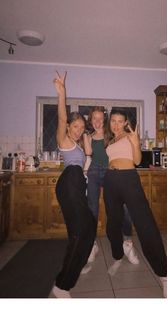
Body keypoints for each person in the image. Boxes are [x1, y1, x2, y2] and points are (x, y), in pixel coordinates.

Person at [103, 108, 167, 298]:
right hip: (110, 180)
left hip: (128, 179)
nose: (116, 124)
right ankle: (118, 256)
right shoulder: (111, 140)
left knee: (146, 225)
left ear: (126, 123)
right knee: (113, 223)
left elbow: (136, 160)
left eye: (120, 121)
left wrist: (135, 143)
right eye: (113, 121)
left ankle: (164, 276)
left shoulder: (129, 136)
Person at [51, 71, 96, 298]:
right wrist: (62, 93)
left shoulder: (78, 145)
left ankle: (77, 262)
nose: (77, 130)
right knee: (81, 230)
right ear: (68, 127)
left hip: (76, 183)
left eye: (80, 127)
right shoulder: (64, 139)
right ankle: (61, 286)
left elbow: (88, 153)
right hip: (70, 181)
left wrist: (87, 133)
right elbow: (61, 118)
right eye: (75, 126)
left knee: (88, 227)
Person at [86, 106, 139, 265]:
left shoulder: (112, 135)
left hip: (112, 173)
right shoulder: (88, 136)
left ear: (105, 120)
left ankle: (127, 243)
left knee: (124, 209)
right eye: (94, 118)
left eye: (101, 118)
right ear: (91, 120)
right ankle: (92, 244)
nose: (97, 121)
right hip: (94, 172)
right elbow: (87, 156)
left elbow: (127, 154)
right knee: (92, 208)